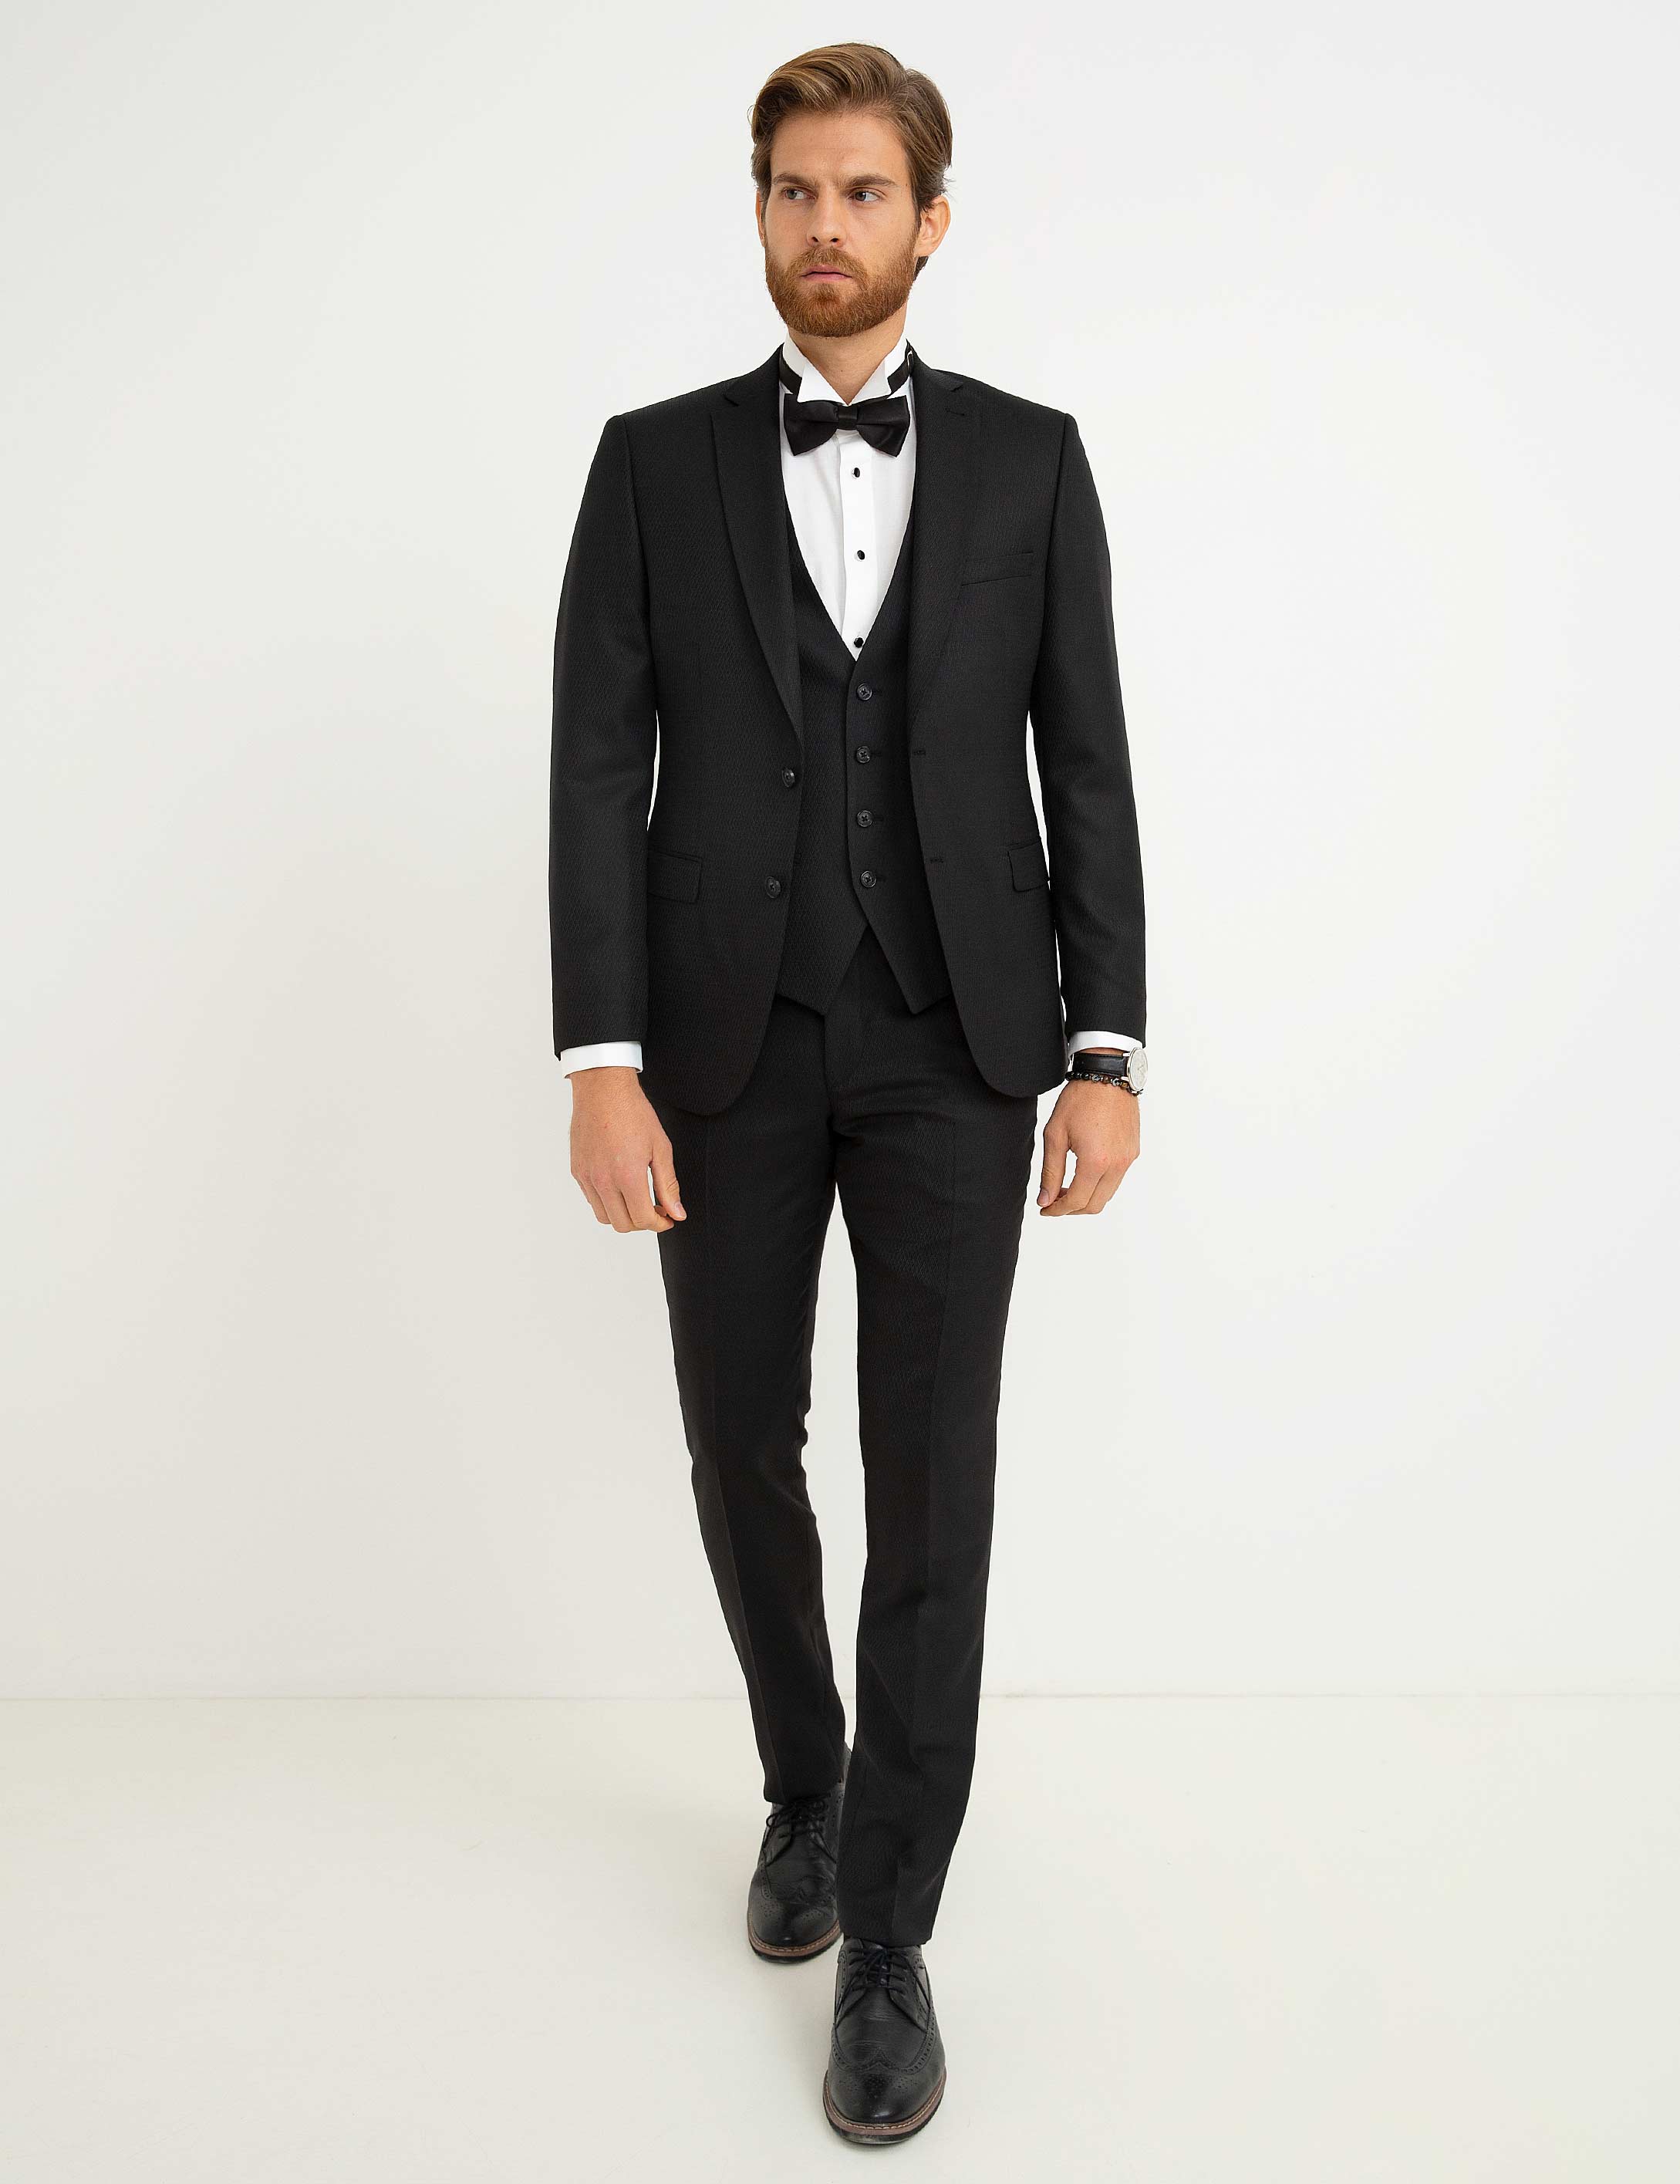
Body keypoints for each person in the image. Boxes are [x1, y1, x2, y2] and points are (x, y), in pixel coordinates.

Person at [549, 42, 1147, 2144]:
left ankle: (888, 1929)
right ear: (758, 214)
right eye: (795, 191)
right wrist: (600, 1061)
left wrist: (1104, 1049)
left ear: (929, 219)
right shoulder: (650, 466)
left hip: (962, 1041)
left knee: (933, 1470)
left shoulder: (1033, 464)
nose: (828, 227)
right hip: (720, 1042)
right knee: (741, 1446)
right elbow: (593, 773)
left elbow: (1084, 761)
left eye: (864, 192)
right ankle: (805, 1781)